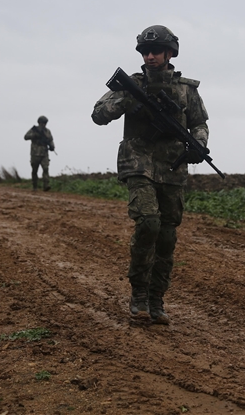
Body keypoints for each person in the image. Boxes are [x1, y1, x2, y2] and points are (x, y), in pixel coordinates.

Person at [91, 25, 210, 325]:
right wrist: (124, 102)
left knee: (167, 236)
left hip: (171, 167)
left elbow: (199, 124)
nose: (150, 56)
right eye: (145, 51)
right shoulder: (131, 84)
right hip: (138, 162)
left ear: (170, 53)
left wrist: (199, 146)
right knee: (148, 223)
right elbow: (98, 114)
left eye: (156, 51)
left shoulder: (186, 89)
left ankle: (157, 301)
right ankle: (139, 296)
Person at [24, 116, 55, 191]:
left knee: (46, 168)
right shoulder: (34, 130)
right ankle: (35, 186)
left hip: (44, 153)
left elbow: (50, 140)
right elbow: (25, 137)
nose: (44, 124)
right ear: (39, 122)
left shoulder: (47, 131)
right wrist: (34, 136)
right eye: (42, 123)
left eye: (45, 123)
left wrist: (52, 146)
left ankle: (46, 185)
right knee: (35, 170)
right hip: (35, 153)